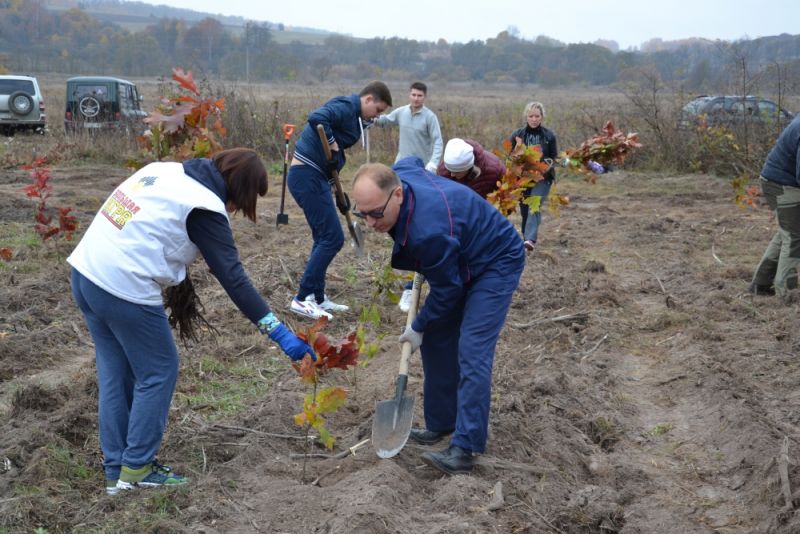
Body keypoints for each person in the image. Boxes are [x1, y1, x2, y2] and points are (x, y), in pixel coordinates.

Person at [67, 148, 315, 495]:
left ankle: (117, 472)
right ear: (238, 190)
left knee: (116, 374)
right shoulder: (205, 207)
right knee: (159, 370)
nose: (235, 210)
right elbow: (234, 279)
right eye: (242, 202)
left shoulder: (164, 171)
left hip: (86, 272)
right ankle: (137, 468)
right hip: (122, 284)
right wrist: (280, 333)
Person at [351, 158, 525, 475]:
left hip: (495, 261)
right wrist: (426, 329)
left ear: (399, 195)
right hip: (460, 257)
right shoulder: (398, 175)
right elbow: (411, 160)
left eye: (377, 213)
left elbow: (447, 290)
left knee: (472, 349)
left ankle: (465, 447)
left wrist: (417, 325)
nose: (371, 223)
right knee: (436, 337)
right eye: (362, 214)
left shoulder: (427, 232)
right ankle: (442, 422)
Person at [288, 81, 392, 319]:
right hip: (306, 176)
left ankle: (318, 298)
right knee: (332, 238)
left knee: (323, 237)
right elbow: (317, 117)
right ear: (367, 100)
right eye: (377, 110)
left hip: (318, 178)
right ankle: (302, 298)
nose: (377, 117)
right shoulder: (347, 106)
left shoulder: (355, 116)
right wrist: (333, 146)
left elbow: (333, 161)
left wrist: (338, 192)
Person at [373, 82, 443, 313]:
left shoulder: (430, 117)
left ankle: (413, 280)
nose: (415, 98)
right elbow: (386, 121)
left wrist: (433, 164)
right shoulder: (401, 112)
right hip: (401, 169)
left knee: (418, 212)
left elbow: (438, 142)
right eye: (413, 94)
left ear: (425, 97)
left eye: (419, 95)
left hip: (421, 171)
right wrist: (371, 119)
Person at [750, 113, 800, 299]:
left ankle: (760, 284)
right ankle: (787, 292)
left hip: (781, 181)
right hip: (782, 184)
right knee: (794, 237)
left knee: (787, 232)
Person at [509, 101, 558, 252]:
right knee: (525, 210)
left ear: (542, 117)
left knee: (533, 205)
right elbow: (511, 157)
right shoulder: (517, 135)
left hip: (543, 177)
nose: (534, 119)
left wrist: (548, 164)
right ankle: (526, 241)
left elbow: (554, 158)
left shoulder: (549, 136)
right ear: (526, 117)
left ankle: (530, 239)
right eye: (531, 116)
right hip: (523, 177)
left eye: (537, 116)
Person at [437, 137, 506, 199]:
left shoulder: (495, 169)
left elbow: (507, 195)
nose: (452, 174)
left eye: (457, 172)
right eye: (450, 170)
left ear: (469, 167)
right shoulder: (443, 172)